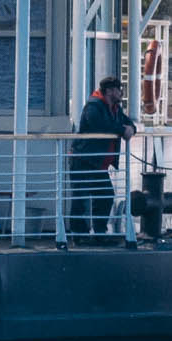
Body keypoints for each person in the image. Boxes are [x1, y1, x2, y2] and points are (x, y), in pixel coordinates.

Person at [70, 75, 136, 237]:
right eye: (118, 90)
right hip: (84, 161)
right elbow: (100, 125)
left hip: (97, 164)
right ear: (110, 91)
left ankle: (100, 232)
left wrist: (131, 129)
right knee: (81, 199)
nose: (121, 93)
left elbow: (128, 122)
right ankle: (79, 235)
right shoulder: (93, 107)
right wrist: (123, 130)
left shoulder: (114, 108)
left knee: (105, 196)